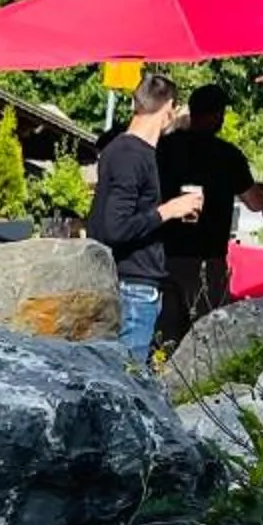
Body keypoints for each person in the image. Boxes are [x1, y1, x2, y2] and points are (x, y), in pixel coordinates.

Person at [91, 74, 209, 361]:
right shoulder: (133, 155)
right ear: (169, 107)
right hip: (133, 287)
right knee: (129, 380)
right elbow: (115, 227)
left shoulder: (122, 149)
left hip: (131, 281)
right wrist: (169, 210)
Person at [155, 84, 263, 346]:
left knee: (165, 334)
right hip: (208, 260)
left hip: (165, 254)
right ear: (217, 115)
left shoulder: (164, 149)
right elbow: (254, 202)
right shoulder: (227, 155)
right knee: (205, 336)